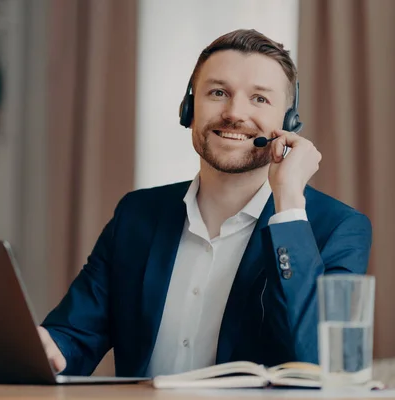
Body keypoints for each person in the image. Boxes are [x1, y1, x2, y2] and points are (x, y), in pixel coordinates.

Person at [37, 29, 372, 378]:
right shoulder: (137, 215)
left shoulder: (337, 228)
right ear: (188, 109)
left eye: (260, 99)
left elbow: (316, 364)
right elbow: (74, 336)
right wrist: (46, 344)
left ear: (289, 123)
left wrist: (287, 202)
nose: (234, 113)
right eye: (217, 92)